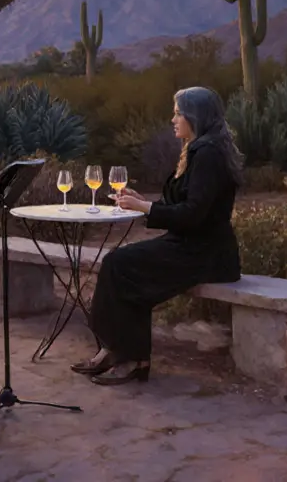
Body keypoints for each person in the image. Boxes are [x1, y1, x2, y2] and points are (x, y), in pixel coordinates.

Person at [71, 86, 244, 385]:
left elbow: (193, 214)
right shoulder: (198, 149)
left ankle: (125, 355)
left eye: (178, 113)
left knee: (120, 265)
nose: (173, 119)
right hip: (189, 245)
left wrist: (145, 207)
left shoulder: (208, 154)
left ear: (196, 116)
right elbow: (185, 206)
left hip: (206, 254)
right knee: (121, 264)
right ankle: (121, 352)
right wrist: (144, 200)